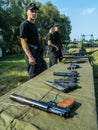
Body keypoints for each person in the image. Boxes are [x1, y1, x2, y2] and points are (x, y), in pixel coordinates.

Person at [20, 3, 47, 79]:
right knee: (34, 76)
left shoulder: (34, 26)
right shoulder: (24, 24)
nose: (34, 13)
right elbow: (23, 41)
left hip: (38, 54)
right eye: (32, 11)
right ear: (27, 12)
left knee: (44, 71)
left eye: (35, 11)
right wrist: (30, 56)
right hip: (32, 54)